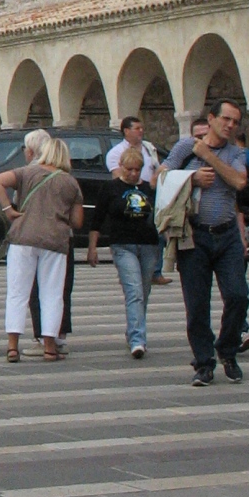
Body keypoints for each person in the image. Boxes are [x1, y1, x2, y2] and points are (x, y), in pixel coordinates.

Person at [165, 98, 249, 385]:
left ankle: (227, 350)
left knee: (238, 295)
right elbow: (158, 179)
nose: (230, 125)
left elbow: (239, 182)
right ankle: (204, 362)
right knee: (197, 305)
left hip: (226, 235)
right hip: (195, 235)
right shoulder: (184, 148)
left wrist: (209, 156)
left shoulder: (235, 153)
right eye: (226, 119)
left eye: (235, 121)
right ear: (211, 119)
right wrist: (191, 178)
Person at [0, 135, 83, 362]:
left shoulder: (26, 173)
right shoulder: (70, 182)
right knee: (52, 294)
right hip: (54, 241)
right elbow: (77, 222)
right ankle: (50, 347)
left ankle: (12, 346)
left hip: (23, 238)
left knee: (17, 292)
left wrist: (8, 209)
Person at [88, 144, 158, 357]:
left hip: (148, 244)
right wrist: (93, 247)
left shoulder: (148, 188)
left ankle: (133, 330)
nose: (134, 174)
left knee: (143, 292)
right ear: (121, 167)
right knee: (134, 291)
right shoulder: (110, 189)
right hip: (122, 244)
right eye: (129, 169)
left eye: (137, 169)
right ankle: (138, 339)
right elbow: (97, 220)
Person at [108, 113, 164, 281]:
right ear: (126, 131)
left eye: (142, 128)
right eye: (136, 128)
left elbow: (157, 167)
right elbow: (118, 178)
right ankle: (130, 271)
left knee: (155, 230)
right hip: (130, 197)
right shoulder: (116, 152)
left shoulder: (148, 148)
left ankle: (156, 271)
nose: (141, 131)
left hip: (150, 193)